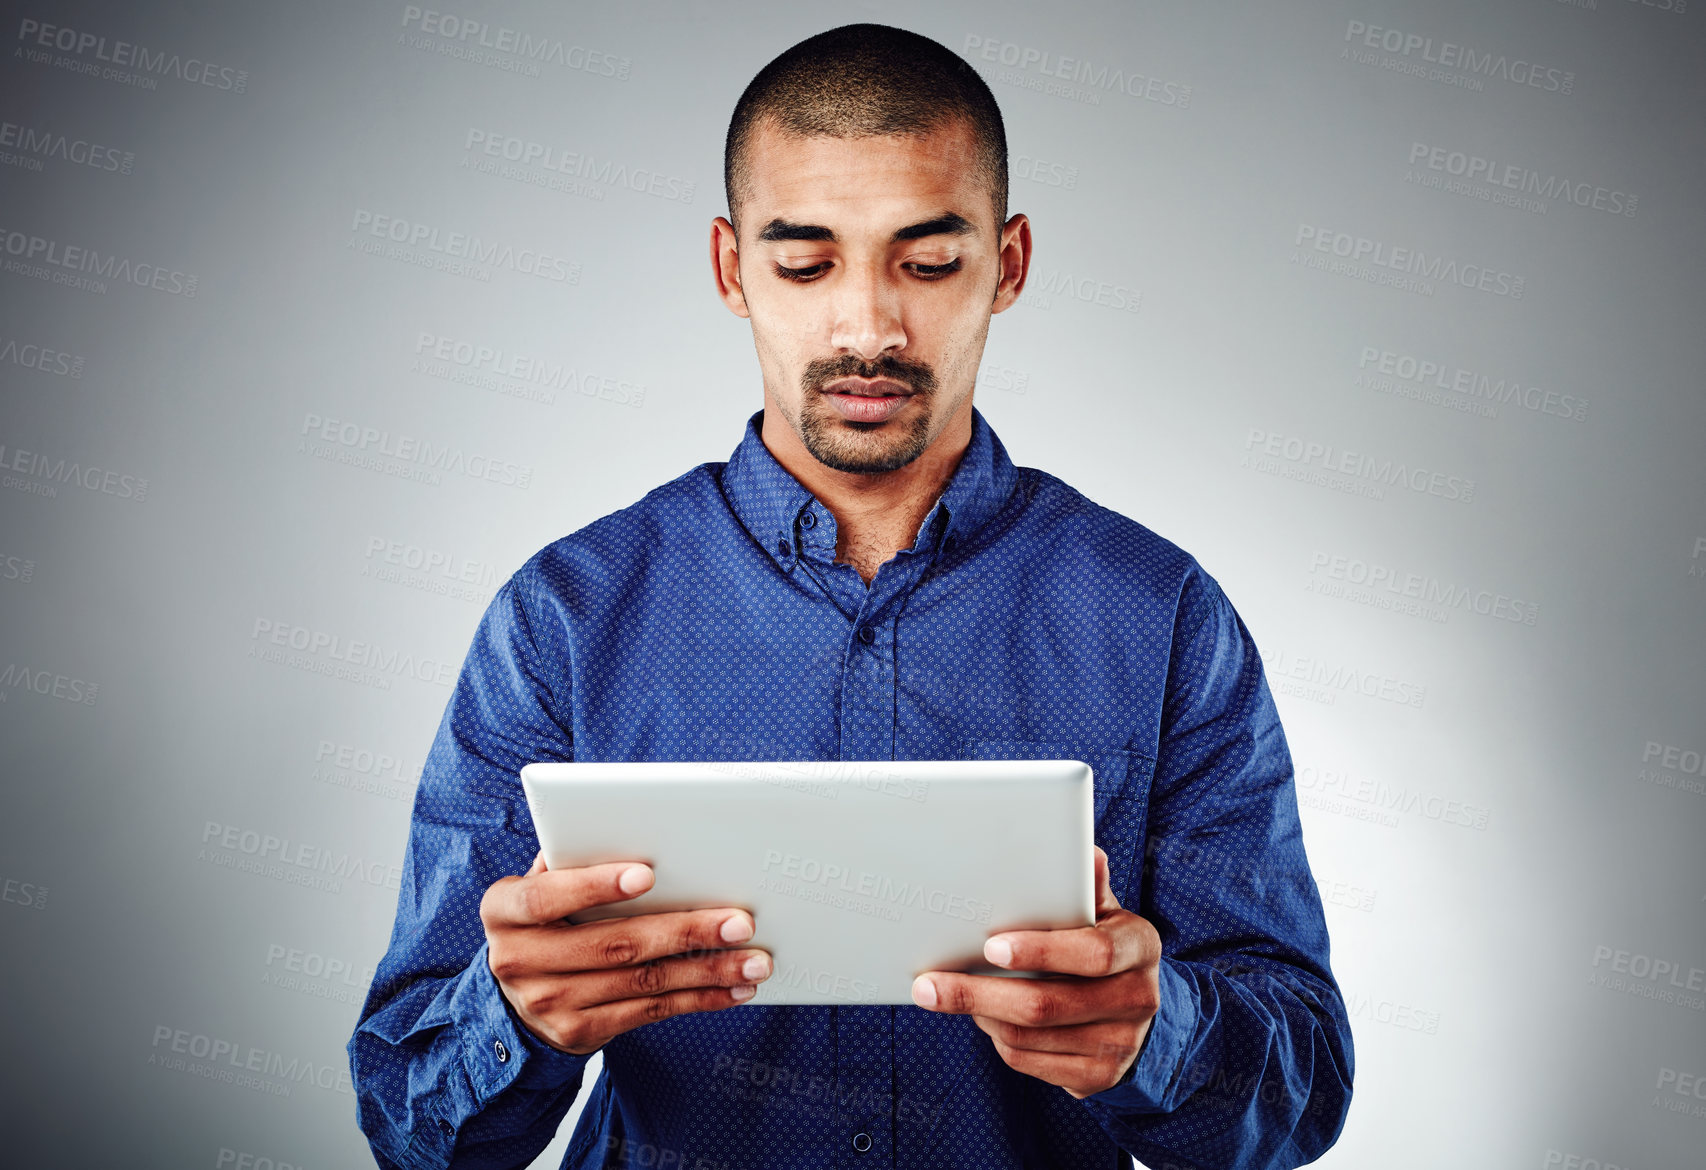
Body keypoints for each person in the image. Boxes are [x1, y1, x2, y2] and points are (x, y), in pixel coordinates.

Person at [348, 22, 1354, 1170]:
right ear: (731, 270)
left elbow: (1300, 1092)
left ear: (1007, 265)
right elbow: (409, 1122)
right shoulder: (564, 617)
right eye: (804, 261)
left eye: (926, 262)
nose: (867, 326)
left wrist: (1152, 1034)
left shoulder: (1161, 614)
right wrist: (514, 1016)